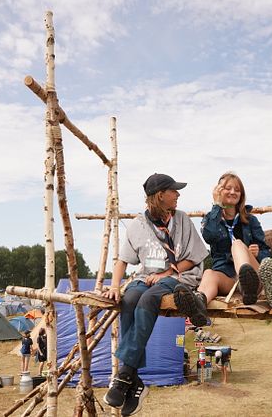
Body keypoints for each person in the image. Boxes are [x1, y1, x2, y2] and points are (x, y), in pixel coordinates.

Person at [102, 173, 208, 416]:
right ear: (161, 196)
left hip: (180, 277)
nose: (178, 194)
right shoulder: (139, 225)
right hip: (146, 277)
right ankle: (134, 381)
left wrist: (167, 273)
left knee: (149, 299)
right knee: (129, 300)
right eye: (174, 191)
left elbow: (194, 257)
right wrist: (115, 286)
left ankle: (125, 375)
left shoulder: (182, 220)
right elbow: (122, 260)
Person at [195, 172, 271, 307]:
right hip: (228, 278)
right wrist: (217, 205)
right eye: (228, 188)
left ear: (241, 195)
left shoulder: (250, 220)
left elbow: (267, 254)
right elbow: (209, 237)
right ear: (218, 191)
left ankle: (247, 285)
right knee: (208, 273)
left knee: (237, 244)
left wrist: (258, 253)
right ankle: (198, 306)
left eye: (237, 190)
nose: (233, 192)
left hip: (254, 279)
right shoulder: (211, 219)